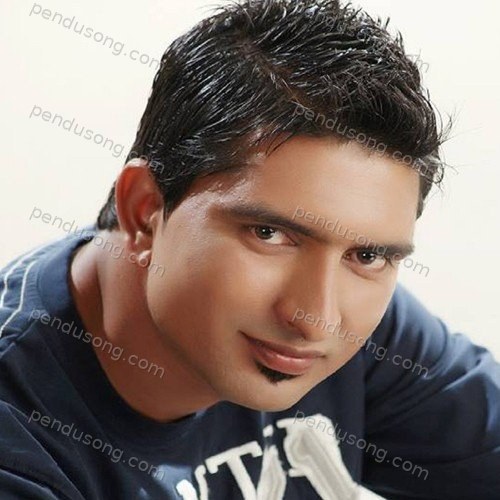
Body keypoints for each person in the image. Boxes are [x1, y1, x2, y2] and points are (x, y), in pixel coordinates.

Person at [1, 0, 499, 498]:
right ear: (144, 210)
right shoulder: (20, 442)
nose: (315, 319)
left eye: (367, 255)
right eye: (268, 234)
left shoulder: (353, 327)